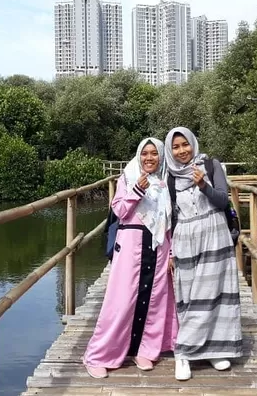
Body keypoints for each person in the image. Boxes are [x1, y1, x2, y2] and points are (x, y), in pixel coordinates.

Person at [83, 138, 178, 378]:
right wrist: (137, 191)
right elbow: (119, 211)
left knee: (155, 299)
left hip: (158, 246)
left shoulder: (165, 182)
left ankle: (145, 349)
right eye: (144, 153)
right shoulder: (127, 177)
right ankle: (99, 354)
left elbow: (169, 223)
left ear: (160, 156)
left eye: (154, 153)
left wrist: (173, 252)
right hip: (131, 244)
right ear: (138, 155)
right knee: (121, 301)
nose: (149, 158)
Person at [165, 126, 242, 381]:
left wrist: (203, 185)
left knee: (215, 294)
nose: (181, 151)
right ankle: (184, 353)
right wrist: (171, 252)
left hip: (214, 233)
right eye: (175, 147)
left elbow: (223, 201)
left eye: (184, 144)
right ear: (170, 150)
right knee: (188, 295)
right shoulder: (171, 177)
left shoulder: (211, 165)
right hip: (185, 237)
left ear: (192, 143)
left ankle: (215, 348)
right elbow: (171, 218)